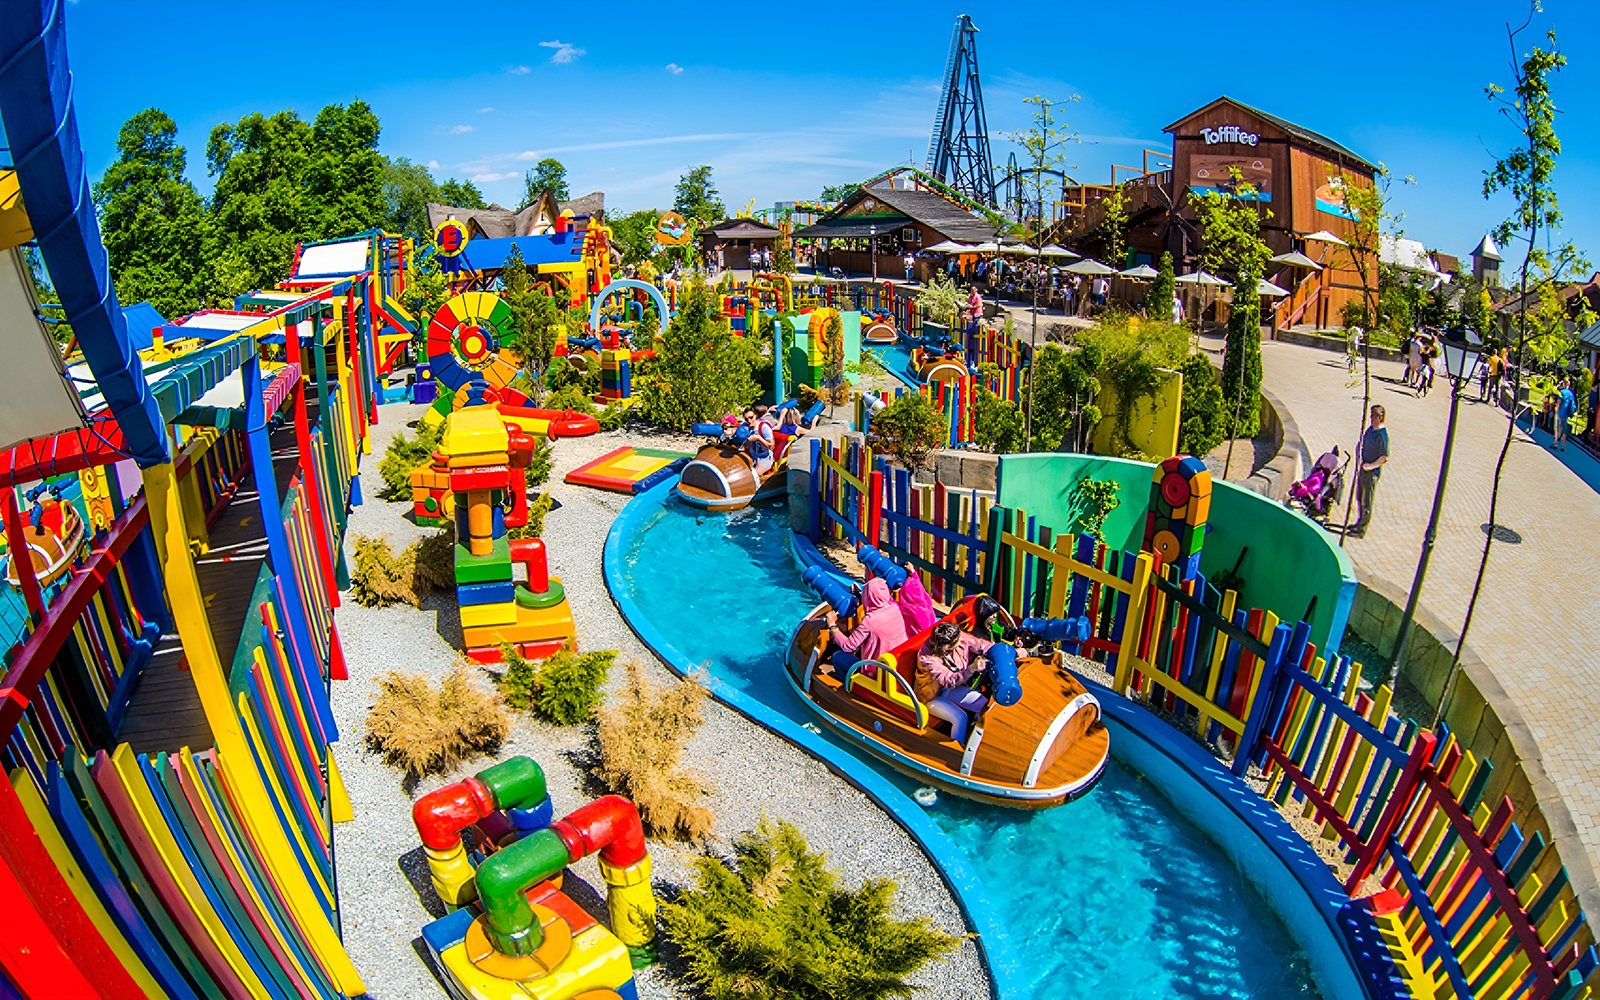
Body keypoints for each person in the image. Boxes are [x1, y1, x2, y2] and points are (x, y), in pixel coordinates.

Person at [914, 621, 992, 745]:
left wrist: (999, 651)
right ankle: (955, 749)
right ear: (947, 646)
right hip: (933, 696)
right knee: (960, 718)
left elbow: (979, 644)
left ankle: (978, 739)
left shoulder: (956, 636)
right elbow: (949, 681)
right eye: (957, 642)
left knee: (982, 704)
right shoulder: (927, 658)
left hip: (949, 689)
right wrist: (971, 668)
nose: (961, 640)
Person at [824, 578, 909, 679]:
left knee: (837, 656)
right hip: (896, 665)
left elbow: (848, 647)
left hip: (875, 673)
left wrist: (832, 625)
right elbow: (880, 598)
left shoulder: (869, 621)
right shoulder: (894, 609)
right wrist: (859, 594)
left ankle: (848, 686)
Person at [1350, 404, 1389, 538]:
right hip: (1364, 467)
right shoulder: (1370, 430)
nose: (1371, 418)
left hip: (1371, 472)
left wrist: (1371, 466)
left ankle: (1361, 529)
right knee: (1360, 496)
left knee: (1367, 499)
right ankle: (1359, 522)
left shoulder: (1382, 435)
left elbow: (1384, 457)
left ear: (1380, 417)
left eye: (1373, 416)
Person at [742, 408, 775, 474]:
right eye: (746, 419)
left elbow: (771, 446)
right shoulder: (746, 429)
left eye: (751, 417)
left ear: (756, 416)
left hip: (764, 458)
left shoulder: (763, 427)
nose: (749, 420)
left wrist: (758, 438)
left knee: (754, 474)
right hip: (752, 457)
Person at [1554, 378, 1576, 452]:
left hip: (1560, 413)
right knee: (1564, 431)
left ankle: (1555, 444)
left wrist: (1556, 410)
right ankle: (1563, 446)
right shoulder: (1570, 394)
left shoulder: (1562, 392)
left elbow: (1559, 403)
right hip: (1566, 415)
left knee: (1558, 428)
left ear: (1564, 384)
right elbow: (1573, 405)